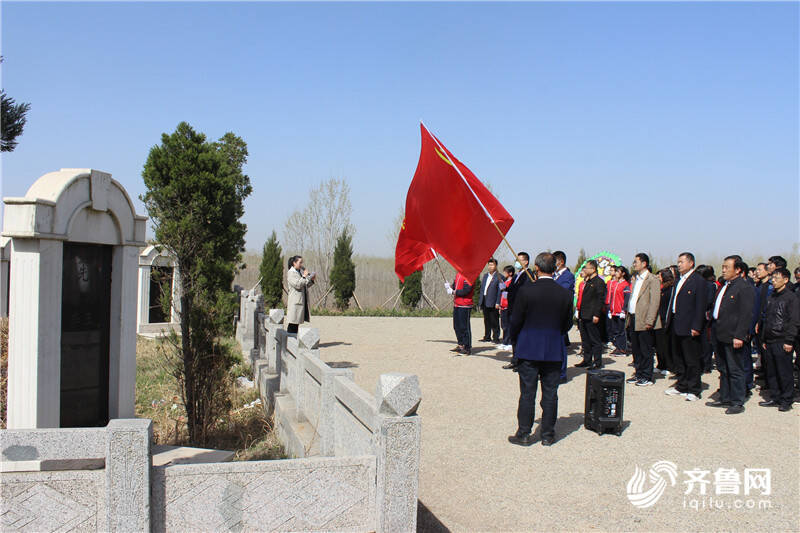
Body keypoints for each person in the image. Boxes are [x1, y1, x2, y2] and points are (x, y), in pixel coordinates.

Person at [507, 252, 573, 447]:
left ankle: (524, 433)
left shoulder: (527, 291)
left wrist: (517, 340)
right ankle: (547, 434)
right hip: (553, 348)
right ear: (554, 268)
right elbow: (567, 324)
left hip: (529, 347)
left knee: (528, 393)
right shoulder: (565, 294)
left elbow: (516, 321)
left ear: (536, 268)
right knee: (551, 393)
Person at [707, 256, 755, 414]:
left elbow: (746, 314)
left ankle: (737, 401)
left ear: (738, 269)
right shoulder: (726, 285)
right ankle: (725, 397)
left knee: (735, 369)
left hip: (733, 335)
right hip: (719, 333)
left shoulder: (743, 287)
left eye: (727, 267)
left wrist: (740, 335)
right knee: (723, 368)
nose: (724, 270)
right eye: (723, 267)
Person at [664, 252, 708, 402]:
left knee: (692, 358)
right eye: (678, 262)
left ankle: (694, 388)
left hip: (690, 326)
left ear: (691, 263)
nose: (679, 265)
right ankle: (682, 385)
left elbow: (700, 306)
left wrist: (697, 326)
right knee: (679, 357)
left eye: (682, 262)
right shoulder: (679, 280)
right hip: (676, 323)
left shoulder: (698, 281)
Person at [759, 267, 799, 411]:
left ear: (786, 280)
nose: (773, 281)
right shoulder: (772, 296)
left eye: (776, 278)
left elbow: (794, 321)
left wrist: (789, 340)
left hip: (782, 340)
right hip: (769, 339)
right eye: (772, 278)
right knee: (772, 371)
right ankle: (775, 397)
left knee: (784, 371)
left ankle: (786, 399)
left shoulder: (791, 298)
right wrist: (763, 338)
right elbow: (767, 318)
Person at [625, 253, 661, 386]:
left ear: (644, 263)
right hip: (634, 317)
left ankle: (647, 375)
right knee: (636, 348)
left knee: (646, 349)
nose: (634, 264)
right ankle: (638, 373)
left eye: (636, 262)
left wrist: (650, 320)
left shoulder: (652, 279)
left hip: (645, 319)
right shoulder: (636, 279)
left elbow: (654, 302)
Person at [504, 252, 534, 370]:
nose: (517, 262)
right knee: (514, 336)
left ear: (526, 262)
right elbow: (512, 289)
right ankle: (515, 360)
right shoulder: (517, 275)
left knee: (521, 337)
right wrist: (505, 289)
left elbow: (523, 292)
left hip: (521, 311)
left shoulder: (528, 275)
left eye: (519, 260)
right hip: (512, 309)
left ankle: (522, 362)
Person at [574, 260, 606, 369]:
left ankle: (597, 362)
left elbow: (600, 300)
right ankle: (587, 360)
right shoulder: (588, 281)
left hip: (592, 315)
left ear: (593, 269)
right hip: (584, 314)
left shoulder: (598, 282)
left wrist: (596, 314)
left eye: (587, 268)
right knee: (585, 339)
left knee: (595, 340)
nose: (585, 270)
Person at [553, 250, 575, 383]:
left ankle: (562, 374)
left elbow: (563, 292)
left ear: (560, 262)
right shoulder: (554, 276)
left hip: (561, 315)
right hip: (551, 314)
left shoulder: (568, 276)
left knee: (560, 345)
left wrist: (547, 286)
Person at [446, 272, 474, 355]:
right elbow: (455, 285)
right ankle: (460, 344)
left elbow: (466, 290)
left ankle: (467, 346)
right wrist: (450, 286)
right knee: (456, 326)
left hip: (465, 304)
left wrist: (454, 292)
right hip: (457, 304)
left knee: (464, 327)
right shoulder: (458, 274)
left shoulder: (469, 275)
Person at [286, 255, 316, 334]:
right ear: (294, 263)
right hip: (295, 302)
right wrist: (304, 276)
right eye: (300, 262)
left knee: (296, 324)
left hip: (300, 302)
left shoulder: (298, 272)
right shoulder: (291, 273)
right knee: (292, 323)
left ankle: (293, 341)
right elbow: (298, 285)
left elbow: (304, 285)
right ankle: (289, 341)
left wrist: (311, 280)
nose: (301, 264)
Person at [654, 269, 675, 376]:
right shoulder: (662, 289)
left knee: (666, 345)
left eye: (660, 276)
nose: (658, 278)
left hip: (665, 320)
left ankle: (669, 366)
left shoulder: (670, 289)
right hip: (658, 319)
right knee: (659, 345)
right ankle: (660, 364)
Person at [608, 266, 631, 356]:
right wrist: (610, 309)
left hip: (620, 311)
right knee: (615, 330)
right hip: (613, 311)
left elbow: (626, 298)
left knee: (621, 331)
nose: (616, 273)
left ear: (623, 273)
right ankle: (617, 347)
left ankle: (622, 349)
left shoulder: (625, 285)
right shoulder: (615, 284)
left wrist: (623, 310)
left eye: (618, 271)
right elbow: (611, 297)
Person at [478, 259, 503, 344]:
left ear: (496, 266)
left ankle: (496, 337)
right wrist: (480, 300)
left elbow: (500, 291)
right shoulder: (485, 276)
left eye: (492, 265)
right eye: (489, 265)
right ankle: (487, 336)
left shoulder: (499, 276)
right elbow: (482, 289)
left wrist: (498, 302)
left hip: (493, 300)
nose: (490, 267)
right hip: (485, 299)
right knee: (486, 319)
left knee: (494, 320)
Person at [498, 265, 515, 350]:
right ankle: (504, 341)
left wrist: (506, 293)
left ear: (510, 273)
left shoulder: (512, 282)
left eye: (505, 272)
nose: (504, 273)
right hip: (503, 306)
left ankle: (509, 342)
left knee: (508, 325)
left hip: (509, 306)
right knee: (504, 325)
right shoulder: (505, 281)